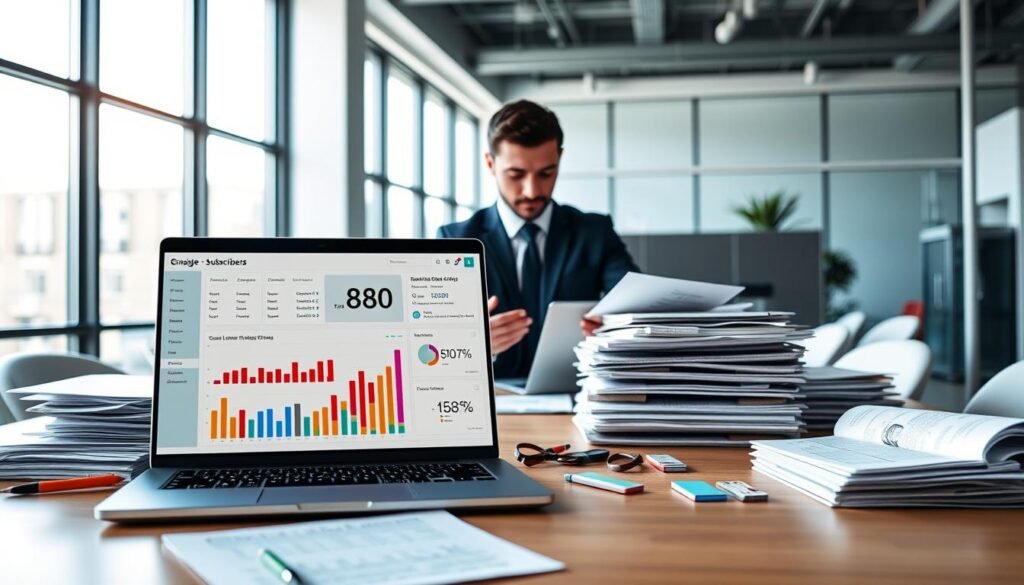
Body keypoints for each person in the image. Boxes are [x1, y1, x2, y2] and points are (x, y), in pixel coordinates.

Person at [437, 100, 638, 379]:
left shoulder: (594, 232)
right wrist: (470, 343)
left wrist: (616, 327)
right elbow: (431, 344)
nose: (532, 191)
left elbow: (638, 306)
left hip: (577, 397)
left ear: (559, 159)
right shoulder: (456, 240)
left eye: (546, 173)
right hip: (492, 401)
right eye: (516, 174)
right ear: (490, 163)